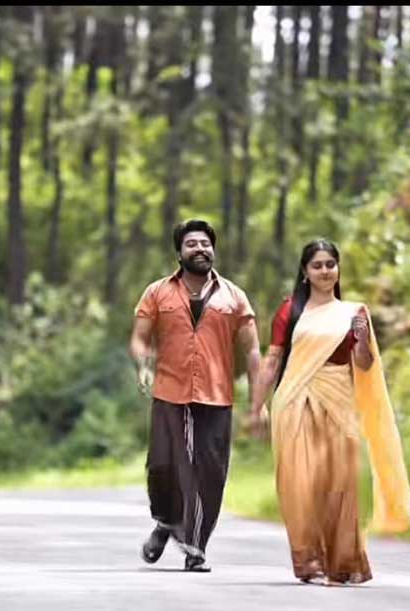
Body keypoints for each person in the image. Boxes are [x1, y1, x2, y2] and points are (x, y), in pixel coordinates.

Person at [249, 239, 410, 585]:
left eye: (330, 264)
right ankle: (309, 560)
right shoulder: (290, 309)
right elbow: (273, 360)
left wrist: (362, 339)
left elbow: (364, 364)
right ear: (305, 272)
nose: (325, 271)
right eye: (317, 265)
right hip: (294, 401)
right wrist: (256, 407)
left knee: (339, 483)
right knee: (300, 483)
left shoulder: (353, 313)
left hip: (339, 400)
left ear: (338, 269)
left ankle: (343, 562)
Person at [130, 219, 261, 572]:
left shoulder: (234, 297)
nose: (200, 249)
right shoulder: (157, 292)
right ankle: (166, 521)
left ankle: (195, 546)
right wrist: (143, 365)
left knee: (209, 472)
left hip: (216, 396)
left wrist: (259, 402)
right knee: (164, 466)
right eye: (192, 244)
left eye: (205, 243)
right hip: (170, 392)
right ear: (179, 253)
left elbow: (252, 350)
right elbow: (140, 338)